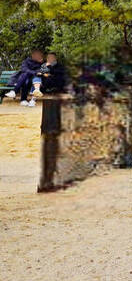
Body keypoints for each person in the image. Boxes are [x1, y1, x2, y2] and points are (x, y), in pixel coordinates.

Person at [37, 52, 69, 192]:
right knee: (51, 141)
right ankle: (47, 182)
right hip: (52, 110)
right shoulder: (49, 70)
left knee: (53, 141)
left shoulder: (58, 70)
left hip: (53, 110)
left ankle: (49, 180)